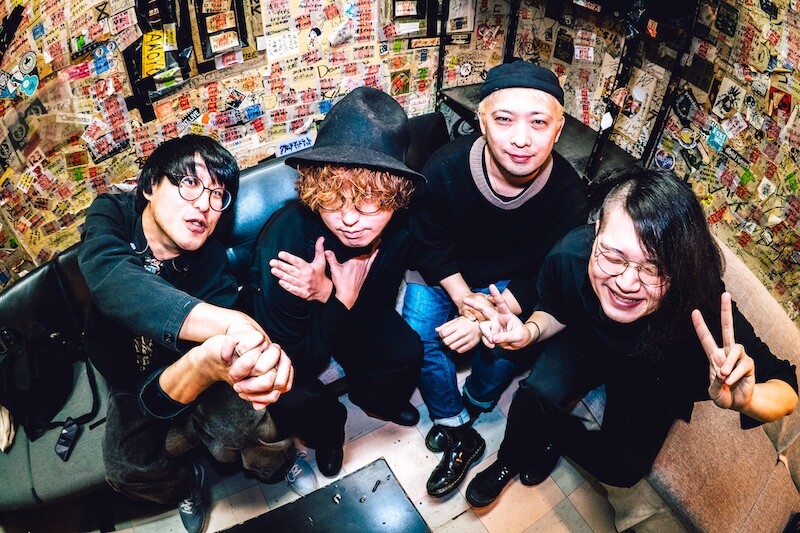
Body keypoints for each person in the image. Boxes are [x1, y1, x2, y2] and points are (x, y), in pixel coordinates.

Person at [463, 167, 799, 507]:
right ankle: (511, 457)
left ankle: (555, 437)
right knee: (538, 392)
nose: (626, 283)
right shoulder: (572, 254)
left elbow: (786, 389)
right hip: (587, 341)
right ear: (597, 231)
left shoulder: (700, 297)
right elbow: (555, 308)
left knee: (622, 468)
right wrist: (529, 332)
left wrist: (749, 399)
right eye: (613, 257)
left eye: (653, 267)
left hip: (653, 374)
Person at [78, 135, 295, 533]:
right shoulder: (113, 213)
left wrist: (251, 359)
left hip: (187, 369)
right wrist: (229, 324)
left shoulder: (212, 265)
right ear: (149, 186)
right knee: (125, 468)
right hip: (125, 375)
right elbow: (110, 276)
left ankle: (277, 468)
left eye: (218, 194)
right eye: (190, 182)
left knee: (249, 421)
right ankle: (189, 483)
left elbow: (201, 368)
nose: (205, 205)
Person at [401, 60, 588, 497]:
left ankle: (478, 400)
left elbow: (547, 271)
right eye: (504, 119)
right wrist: (463, 299)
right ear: (482, 121)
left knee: (507, 339)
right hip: (447, 273)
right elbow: (428, 241)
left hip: (512, 284)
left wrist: (491, 313)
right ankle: (454, 422)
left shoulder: (569, 195)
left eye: (538, 122)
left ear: (558, 130)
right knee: (418, 332)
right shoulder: (444, 168)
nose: (521, 139)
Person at [250, 87, 424, 479]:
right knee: (294, 395)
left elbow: (378, 311)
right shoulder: (288, 244)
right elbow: (297, 358)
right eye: (332, 198)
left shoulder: (399, 230)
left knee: (407, 349)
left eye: (369, 201)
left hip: (347, 310)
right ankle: (329, 434)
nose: (349, 219)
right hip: (297, 338)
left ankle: (375, 399)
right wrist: (336, 301)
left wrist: (332, 293)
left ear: (397, 197)